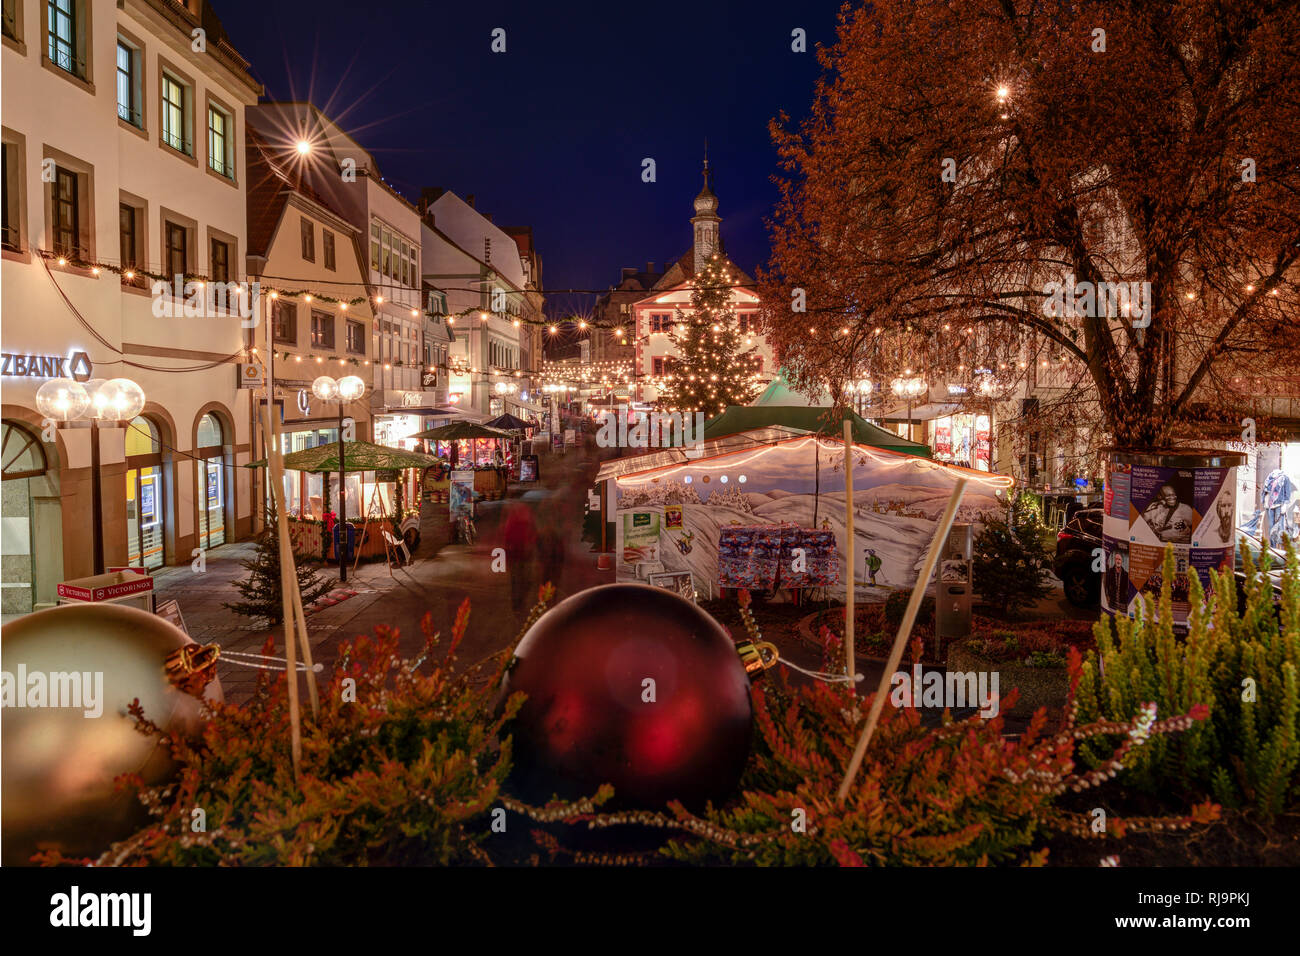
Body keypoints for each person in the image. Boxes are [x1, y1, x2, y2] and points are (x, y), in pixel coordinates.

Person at [503, 502, 538, 614]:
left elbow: (533, 532)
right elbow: (507, 536)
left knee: (520, 580)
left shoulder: (519, 516)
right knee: (520, 579)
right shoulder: (514, 517)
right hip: (519, 553)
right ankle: (518, 604)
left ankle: (518, 604)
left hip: (522, 553)